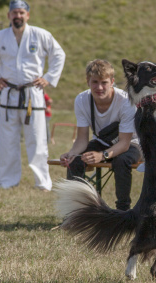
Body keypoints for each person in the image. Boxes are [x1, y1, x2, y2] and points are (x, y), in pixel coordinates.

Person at [0, 0, 65, 191]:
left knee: (36, 140)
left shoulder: (40, 35)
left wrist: (48, 77)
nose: (18, 16)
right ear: (9, 16)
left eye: (21, 13)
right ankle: (6, 181)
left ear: (27, 15)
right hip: (9, 93)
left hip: (32, 92)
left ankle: (42, 182)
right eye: (14, 13)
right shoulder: (0, 37)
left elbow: (59, 54)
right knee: (7, 140)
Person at [60, 59, 141, 210]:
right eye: (95, 82)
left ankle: (122, 211)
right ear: (87, 81)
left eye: (104, 82)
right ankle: (75, 210)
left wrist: (102, 155)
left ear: (112, 82)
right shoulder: (82, 99)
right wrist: (72, 153)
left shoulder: (125, 101)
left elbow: (124, 143)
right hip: (102, 141)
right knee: (75, 161)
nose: (99, 87)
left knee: (121, 161)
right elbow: (82, 139)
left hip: (132, 143)